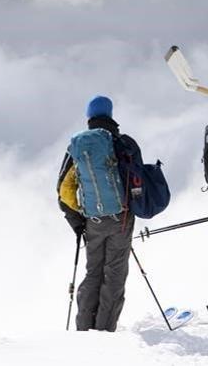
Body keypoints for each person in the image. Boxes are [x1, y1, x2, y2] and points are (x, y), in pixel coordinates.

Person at [56, 95, 137, 331]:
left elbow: (64, 189)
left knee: (93, 272)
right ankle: (104, 331)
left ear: (89, 117)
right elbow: (135, 178)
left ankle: (84, 329)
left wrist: (78, 220)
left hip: (92, 221)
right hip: (120, 219)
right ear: (110, 115)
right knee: (114, 275)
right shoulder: (120, 142)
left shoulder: (77, 147)